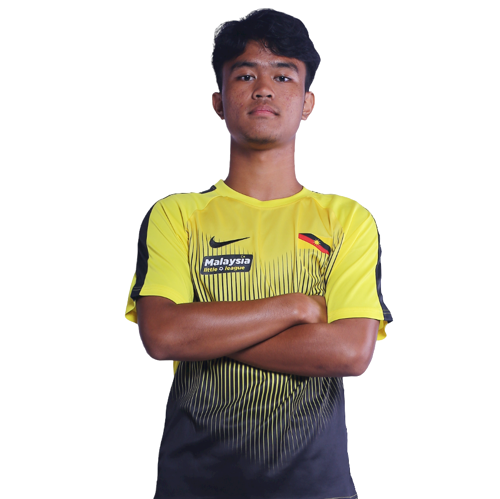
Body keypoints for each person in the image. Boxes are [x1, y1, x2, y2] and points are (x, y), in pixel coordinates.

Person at [124, 8, 392, 498]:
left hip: (317, 488)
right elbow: (162, 336)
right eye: (245, 75)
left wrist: (202, 334)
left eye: (283, 76)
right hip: (193, 486)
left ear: (308, 103)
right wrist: (296, 307)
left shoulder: (347, 218)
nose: (264, 88)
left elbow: (350, 353)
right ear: (218, 102)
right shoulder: (176, 214)